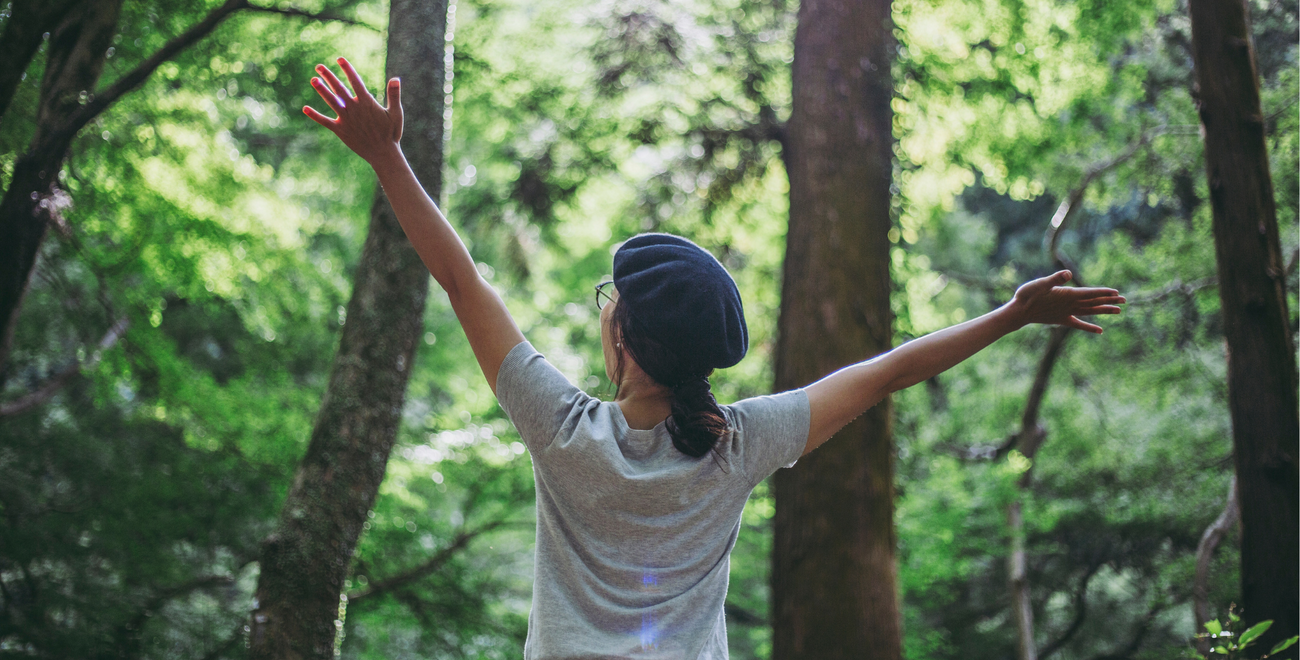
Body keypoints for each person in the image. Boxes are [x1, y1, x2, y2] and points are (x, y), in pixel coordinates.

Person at [304, 58, 1125, 659]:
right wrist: (1010, 317)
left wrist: (388, 157)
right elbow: (888, 371)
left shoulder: (559, 426)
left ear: (625, 335)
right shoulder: (736, 446)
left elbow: (461, 280)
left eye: (608, 299)